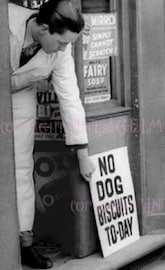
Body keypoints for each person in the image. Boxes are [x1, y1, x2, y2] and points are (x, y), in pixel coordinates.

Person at [9, 0, 96, 268]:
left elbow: (70, 98)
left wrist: (82, 153)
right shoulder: (6, 17)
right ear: (43, 28)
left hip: (18, 100)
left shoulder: (60, 53)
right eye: (61, 43)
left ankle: (23, 244)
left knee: (21, 168)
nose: (64, 49)